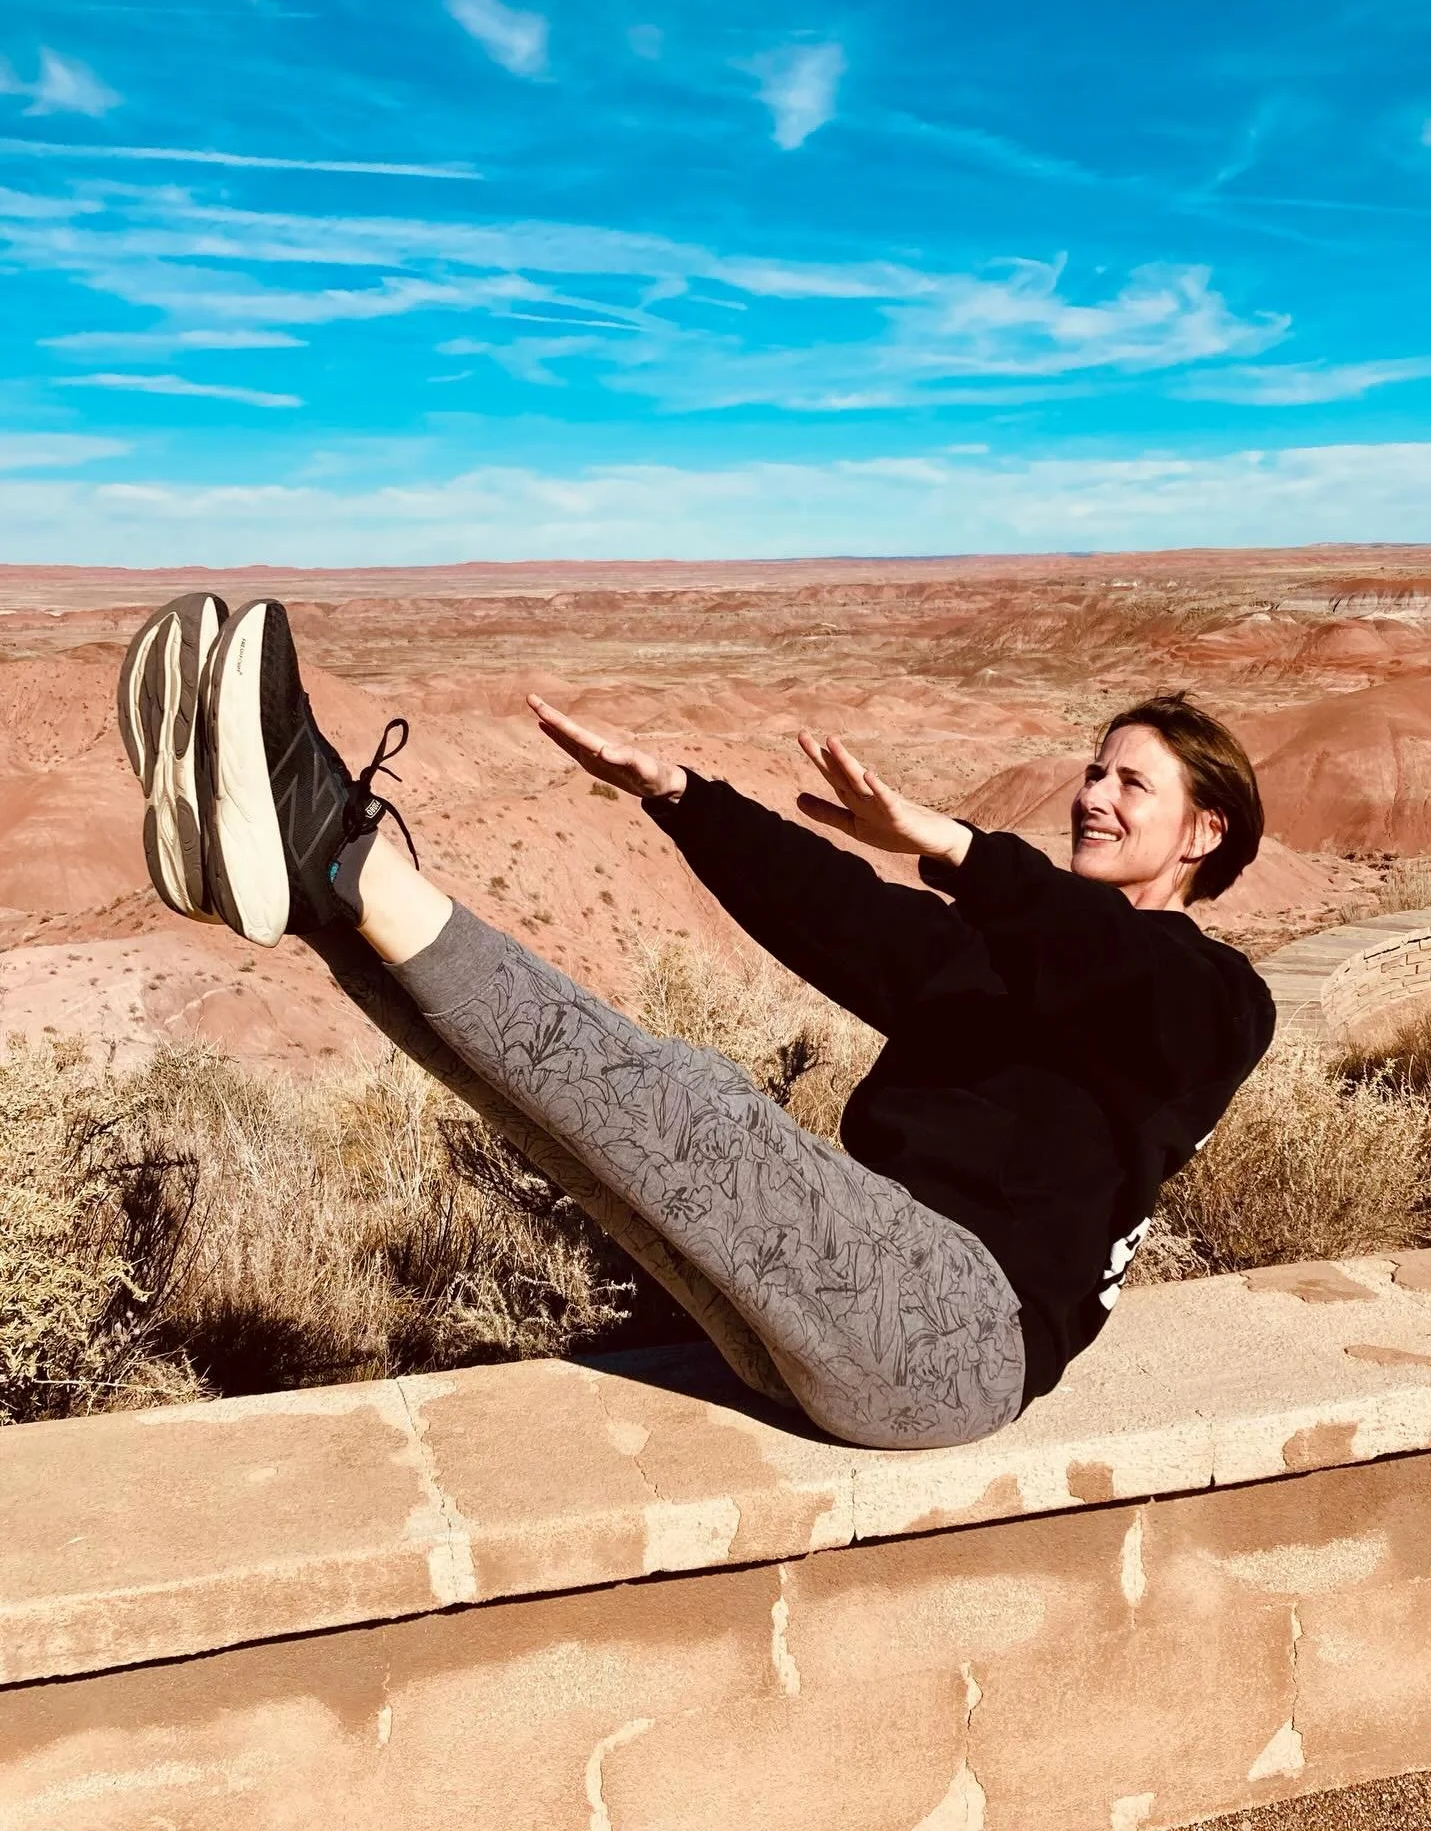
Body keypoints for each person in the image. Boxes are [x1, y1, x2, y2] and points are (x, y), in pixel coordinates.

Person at [117, 592, 1275, 1450]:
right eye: (1093, 769)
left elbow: (1119, 972)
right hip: (838, 1326)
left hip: (955, 1333)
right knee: (565, 1130)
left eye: (1132, 784)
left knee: (690, 1102)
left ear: (1206, 834)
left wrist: (957, 847)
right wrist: (680, 794)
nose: (1092, 794)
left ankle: (329, 841)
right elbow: (837, 914)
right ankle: (314, 895)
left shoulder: (1214, 1006)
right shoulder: (1011, 959)